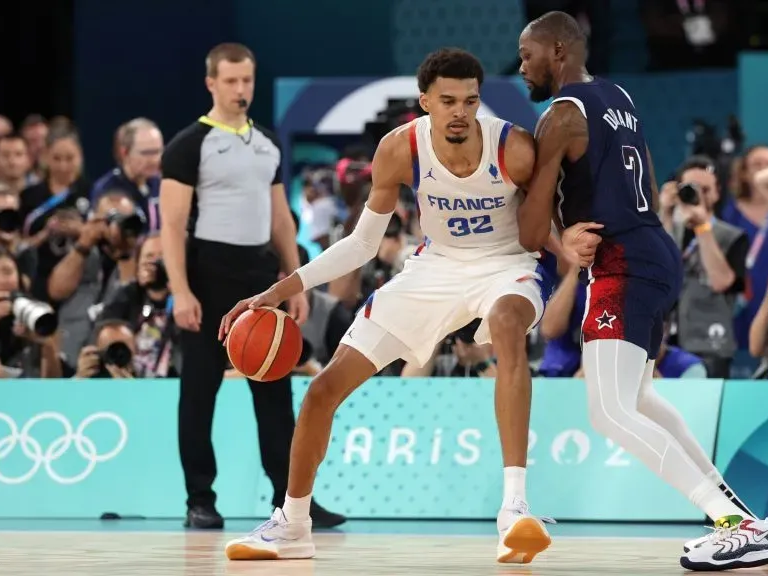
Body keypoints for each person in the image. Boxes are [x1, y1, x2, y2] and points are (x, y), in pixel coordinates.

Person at [220, 48, 556, 564]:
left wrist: (570, 249)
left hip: (506, 264)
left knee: (507, 324)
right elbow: (360, 245)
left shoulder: (514, 148)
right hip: (435, 268)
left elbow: (547, 224)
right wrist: (280, 290)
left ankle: (514, 508)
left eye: (470, 100)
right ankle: (292, 524)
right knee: (322, 390)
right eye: (448, 101)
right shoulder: (399, 150)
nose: (460, 111)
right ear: (425, 103)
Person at [516, 11, 768, 571]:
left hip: (619, 261)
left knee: (609, 411)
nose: (522, 66)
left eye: (528, 54)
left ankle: (736, 525)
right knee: (638, 399)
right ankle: (737, 514)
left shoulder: (560, 116)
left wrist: (562, 240)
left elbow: (529, 227)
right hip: (654, 249)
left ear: (559, 51)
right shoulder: (619, 95)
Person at [159, 42, 327, 530]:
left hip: (258, 277)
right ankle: (199, 499)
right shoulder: (189, 144)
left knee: (275, 395)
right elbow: (171, 226)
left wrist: (295, 281)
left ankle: (291, 501)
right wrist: (181, 290)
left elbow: (280, 219)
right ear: (211, 83)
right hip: (208, 276)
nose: (240, 89)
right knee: (199, 392)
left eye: (246, 80)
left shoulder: (268, 143)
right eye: (230, 81)